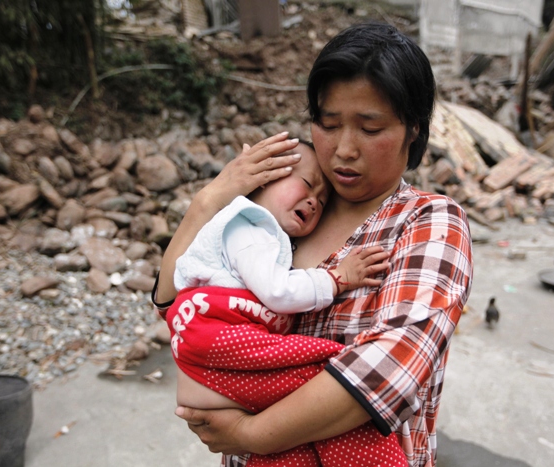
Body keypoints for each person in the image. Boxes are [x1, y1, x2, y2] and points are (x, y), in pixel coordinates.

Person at [154, 22, 473, 467]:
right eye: (328, 123)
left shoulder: (428, 221)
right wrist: (209, 201)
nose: (344, 149)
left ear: (413, 129)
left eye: (370, 127)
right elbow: (175, 304)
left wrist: (252, 433)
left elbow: (391, 365)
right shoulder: (286, 214)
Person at [160, 140, 407, 466]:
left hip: (218, 359)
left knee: (291, 443)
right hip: (217, 340)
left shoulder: (277, 240)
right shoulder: (249, 227)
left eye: (321, 200)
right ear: (262, 178)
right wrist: (337, 278)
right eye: (306, 184)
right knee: (321, 378)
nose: (314, 201)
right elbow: (276, 291)